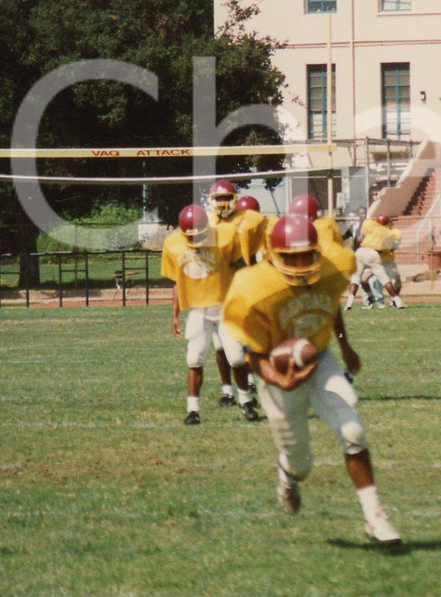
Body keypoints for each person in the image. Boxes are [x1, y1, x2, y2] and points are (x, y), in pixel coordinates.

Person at [221, 214, 402, 547]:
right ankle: (287, 471)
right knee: (301, 464)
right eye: (292, 257)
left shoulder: (334, 267)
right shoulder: (252, 287)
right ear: (273, 255)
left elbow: (331, 304)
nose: (301, 264)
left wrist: (345, 345)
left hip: (318, 357)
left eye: (307, 255)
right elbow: (253, 354)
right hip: (276, 366)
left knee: (353, 431)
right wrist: (279, 377)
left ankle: (375, 516)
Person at [160, 202, 260, 425]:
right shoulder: (173, 244)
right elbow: (177, 283)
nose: (195, 240)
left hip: (225, 305)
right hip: (198, 308)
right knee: (194, 358)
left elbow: (242, 268)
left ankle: (245, 401)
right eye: (191, 236)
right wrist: (174, 314)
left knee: (235, 357)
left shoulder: (225, 235)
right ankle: (193, 410)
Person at [344, 211, 406, 309]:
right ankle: (397, 302)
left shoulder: (369, 224)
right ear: (388, 223)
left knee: (356, 279)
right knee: (385, 280)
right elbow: (392, 247)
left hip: (361, 252)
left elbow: (360, 239)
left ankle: (349, 303)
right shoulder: (390, 233)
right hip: (375, 256)